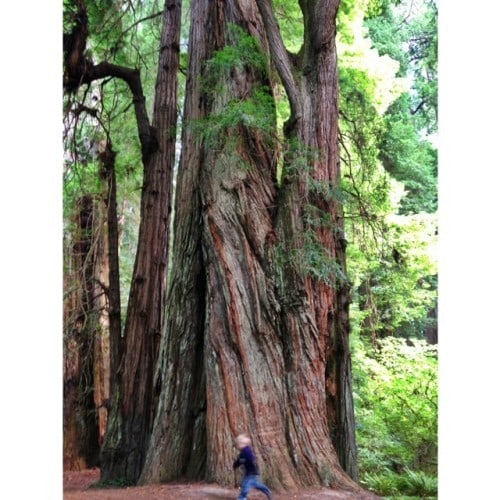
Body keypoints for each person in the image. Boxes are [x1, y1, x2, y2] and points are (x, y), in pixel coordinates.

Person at [233, 434, 272, 500]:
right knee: (255, 484)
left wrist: (251, 462)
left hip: (252, 472)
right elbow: (239, 461)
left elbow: (251, 458)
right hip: (249, 472)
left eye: (240, 443)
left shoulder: (247, 451)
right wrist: (235, 465)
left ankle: (242, 497)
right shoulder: (242, 453)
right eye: (238, 444)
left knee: (245, 485)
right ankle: (266, 490)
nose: (238, 445)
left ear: (245, 444)